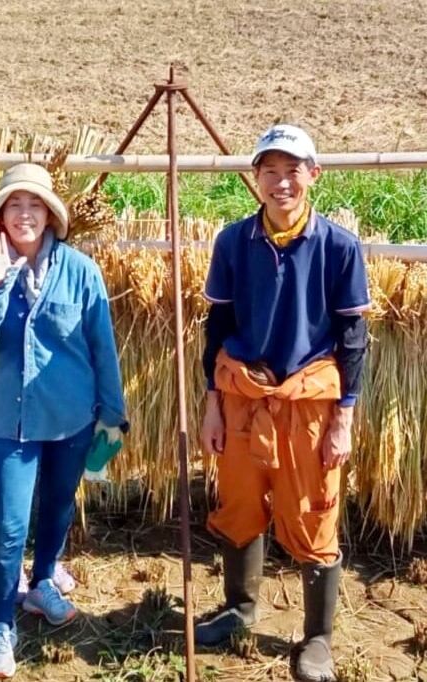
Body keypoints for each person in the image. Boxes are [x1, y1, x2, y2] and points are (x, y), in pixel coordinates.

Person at [197, 124, 369, 682]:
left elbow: (352, 338)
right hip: (242, 395)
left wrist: (343, 418)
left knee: (314, 513)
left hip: (309, 404)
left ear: (312, 175)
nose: (281, 182)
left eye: (292, 170)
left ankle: (317, 638)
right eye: (269, 171)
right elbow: (217, 326)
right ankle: (240, 607)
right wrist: (212, 404)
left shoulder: (339, 247)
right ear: (256, 178)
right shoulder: (233, 242)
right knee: (240, 504)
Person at [0, 163, 128, 679]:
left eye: (34, 205)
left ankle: (44, 581)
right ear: (1, 216)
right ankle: (1, 623)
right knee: (9, 528)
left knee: (57, 507)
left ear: (50, 215)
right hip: (12, 421)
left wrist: (112, 414)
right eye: (14, 204)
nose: (24, 214)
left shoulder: (80, 270)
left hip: (72, 417)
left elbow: (102, 345)